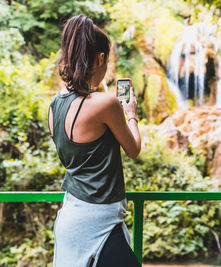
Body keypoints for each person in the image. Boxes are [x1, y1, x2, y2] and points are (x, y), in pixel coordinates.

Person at [48, 15, 141, 267]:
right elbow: (133, 149)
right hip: (100, 223)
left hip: (70, 218)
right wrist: (130, 114)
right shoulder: (106, 104)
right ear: (100, 58)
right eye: (107, 61)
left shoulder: (55, 104)